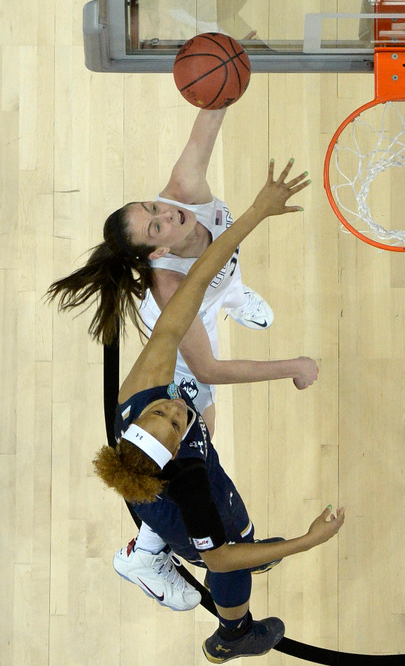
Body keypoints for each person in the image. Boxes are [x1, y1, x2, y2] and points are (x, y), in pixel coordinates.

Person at [47, 107, 318, 610]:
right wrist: (292, 366)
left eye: (155, 207)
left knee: (220, 275)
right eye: (156, 226)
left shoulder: (184, 191)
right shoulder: (169, 287)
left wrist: (229, 60)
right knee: (198, 436)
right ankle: (145, 552)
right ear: (153, 254)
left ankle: (234, 294)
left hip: (209, 289)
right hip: (189, 337)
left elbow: (208, 118)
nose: (169, 214)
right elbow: (210, 369)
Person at [93, 159, 345, 663]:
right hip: (196, 524)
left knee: (243, 538)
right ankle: (232, 635)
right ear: (175, 454)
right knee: (235, 555)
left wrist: (257, 212)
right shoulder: (189, 486)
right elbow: (222, 556)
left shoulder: (141, 389)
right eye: (176, 422)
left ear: (137, 419)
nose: (173, 408)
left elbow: (197, 278)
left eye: (158, 413)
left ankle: (165, 553)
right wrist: (305, 542)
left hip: (177, 488)